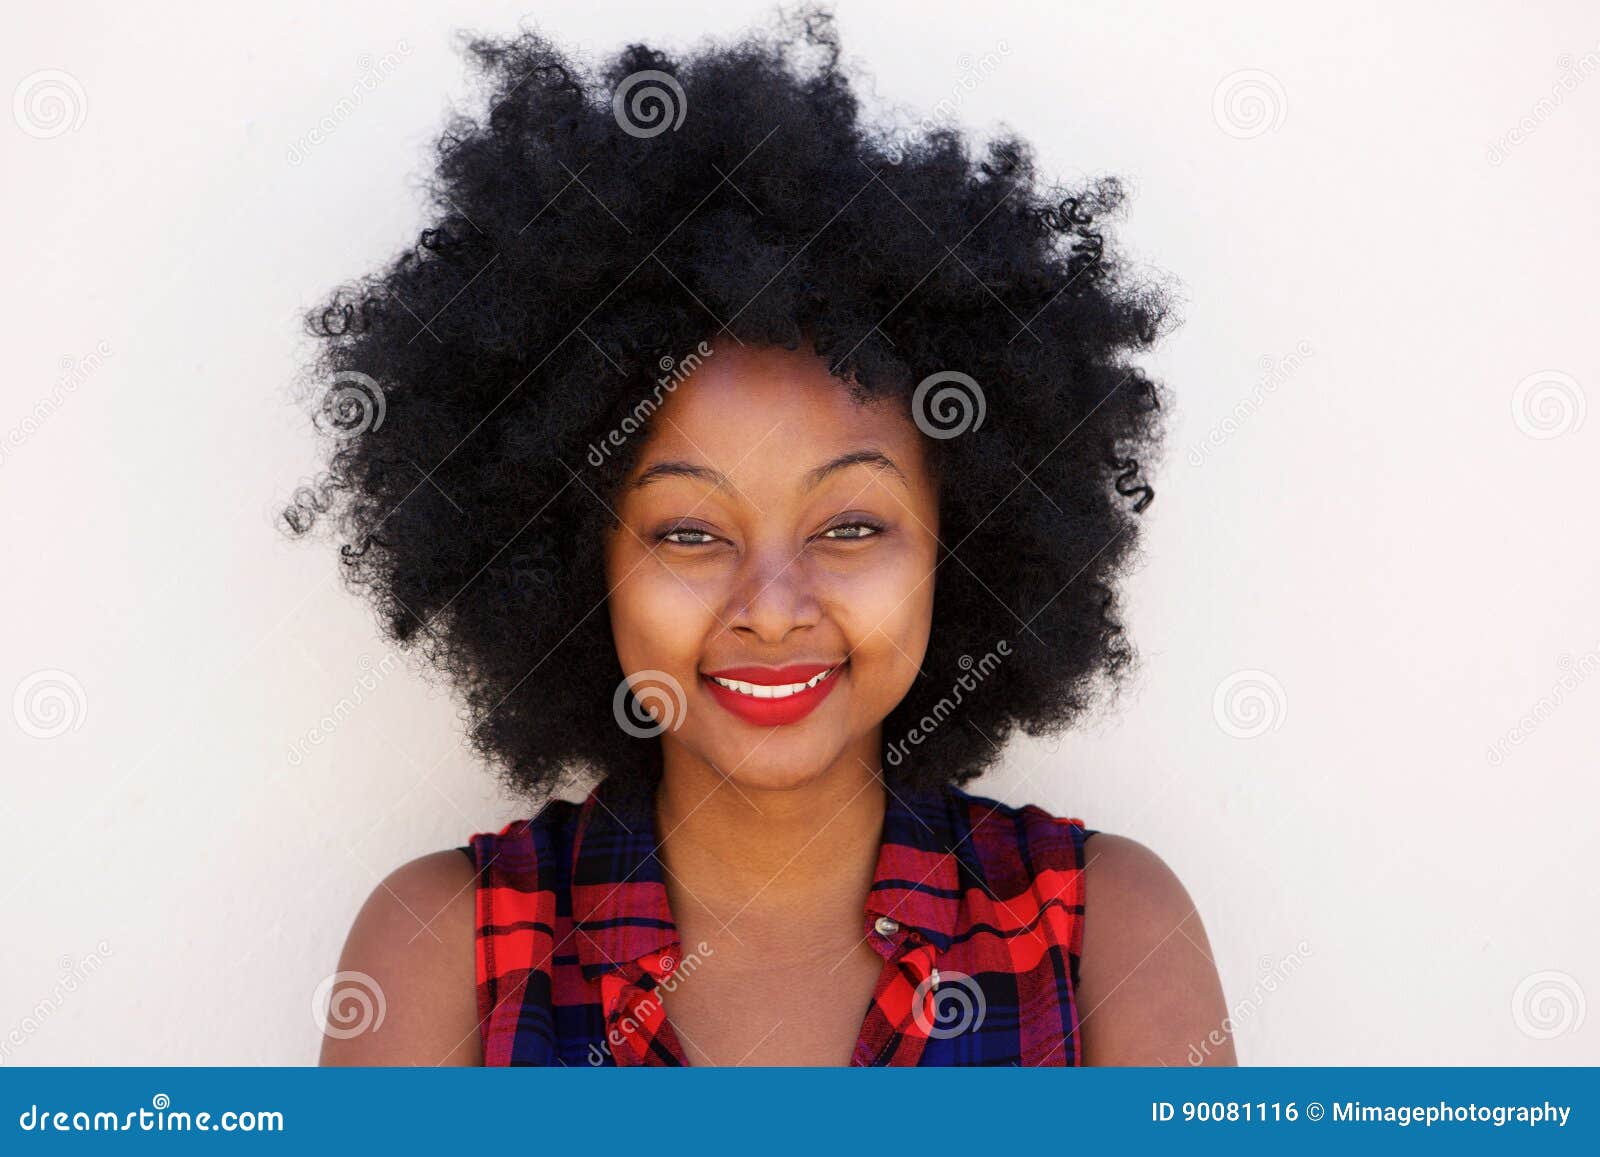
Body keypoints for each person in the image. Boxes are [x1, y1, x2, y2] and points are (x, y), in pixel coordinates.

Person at [289, 4, 1233, 1067]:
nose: (773, 604)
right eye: (689, 531)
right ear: (567, 558)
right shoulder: (443, 950)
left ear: (957, 543)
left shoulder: (1105, 933)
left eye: (852, 525)